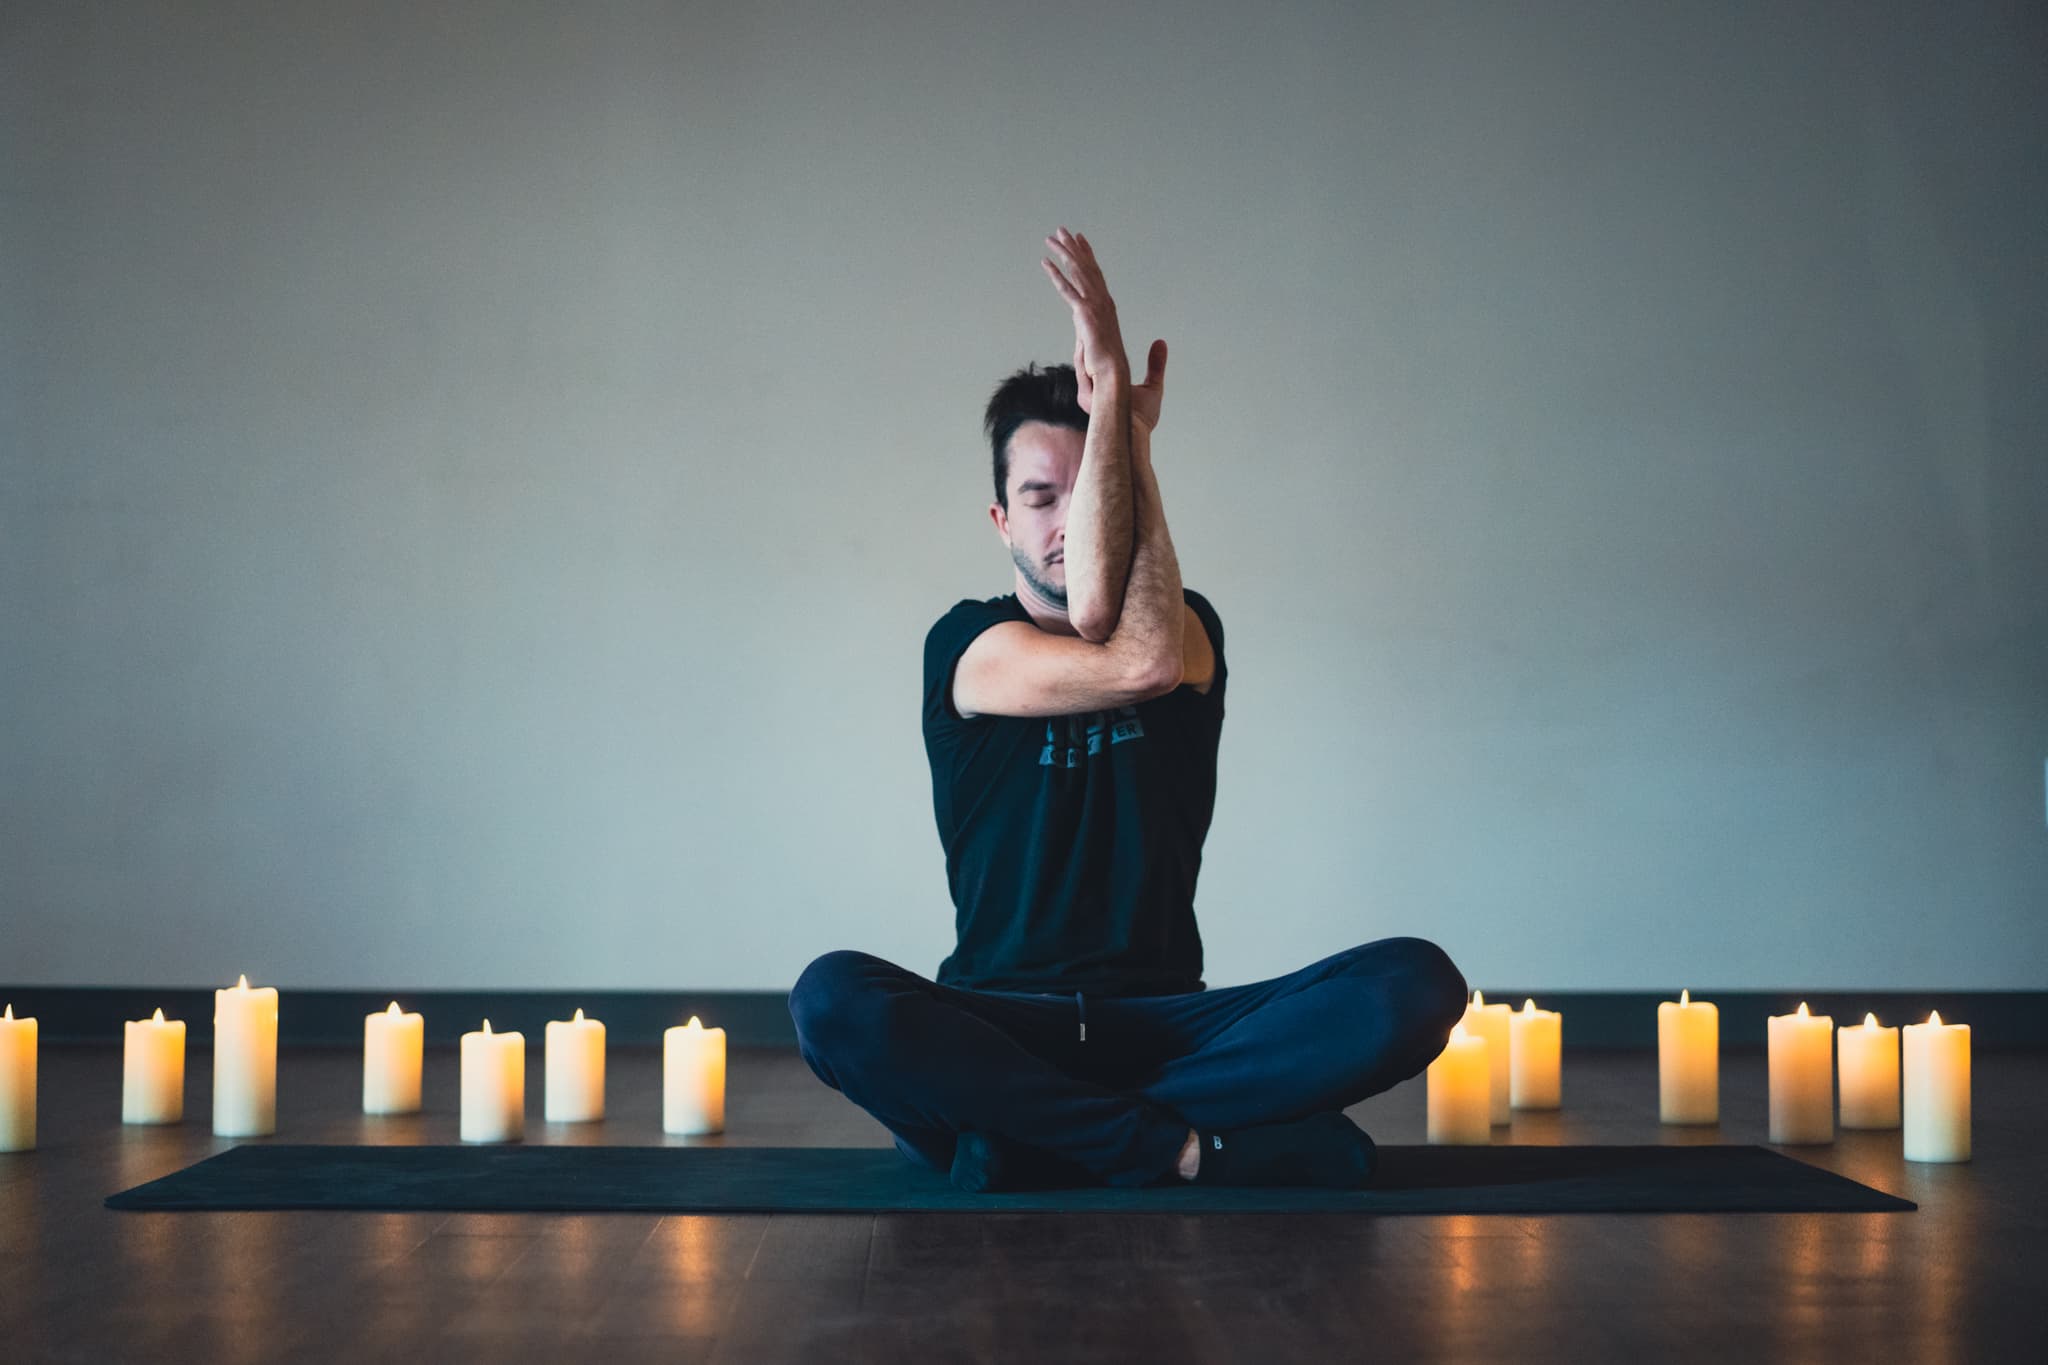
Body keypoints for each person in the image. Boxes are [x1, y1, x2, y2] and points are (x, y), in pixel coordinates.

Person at [789, 228, 1469, 1191]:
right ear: (1001, 522)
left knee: (1415, 984)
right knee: (833, 1000)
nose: (1069, 520)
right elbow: (1118, 643)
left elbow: (1143, 649)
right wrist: (1110, 402)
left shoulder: (1191, 629)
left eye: (1090, 487)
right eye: (1040, 497)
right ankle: (1179, 1148)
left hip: (1166, 1022)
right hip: (997, 1019)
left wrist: (1129, 432)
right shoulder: (967, 645)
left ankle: (1030, 1140)